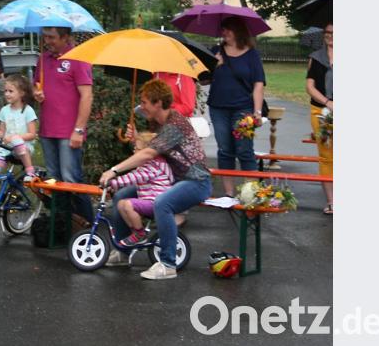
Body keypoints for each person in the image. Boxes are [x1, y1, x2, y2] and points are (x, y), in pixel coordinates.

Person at [99, 80, 212, 280]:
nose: (141, 107)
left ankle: (168, 264)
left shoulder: (175, 124)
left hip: (196, 182)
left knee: (163, 204)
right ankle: (124, 253)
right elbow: (148, 148)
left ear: (158, 103)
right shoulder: (156, 122)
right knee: (121, 196)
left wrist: (114, 171)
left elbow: (149, 153)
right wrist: (134, 138)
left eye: (144, 102)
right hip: (171, 180)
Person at [33, 26, 94, 222]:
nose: (47, 41)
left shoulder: (78, 58)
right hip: (47, 130)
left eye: (52, 37)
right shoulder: (42, 59)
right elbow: (37, 87)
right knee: (53, 181)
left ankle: (87, 225)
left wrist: (79, 130)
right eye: (45, 37)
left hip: (69, 132)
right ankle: (61, 224)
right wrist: (37, 94)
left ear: (65, 37)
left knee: (71, 180)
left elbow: (87, 96)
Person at [206, 16, 266, 197]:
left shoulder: (251, 54)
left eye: (228, 29)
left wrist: (257, 112)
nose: (224, 32)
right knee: (225, 149)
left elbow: (258, 84)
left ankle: (252, 195)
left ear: (238, 31)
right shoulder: (215, 51)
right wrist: (214, 66)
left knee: (244, 149)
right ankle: (229, 195)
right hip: (218, 108)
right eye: (222, 29)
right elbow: (202, 80)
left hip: (243, 108)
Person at [107, 132, 174, 247]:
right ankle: (135, 232)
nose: (134, 152)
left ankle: (140, 234)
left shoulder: (152, 166)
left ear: (147, 152)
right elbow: (134, 174)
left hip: (156, 203)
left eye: (137, 149)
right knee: (121, 204)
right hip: (149, 200)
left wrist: (113, 182)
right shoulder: (147, 165)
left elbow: (133, 177)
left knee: (128, 204)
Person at [0, 74, 38, 185]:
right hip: (6, 149)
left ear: (21, 93)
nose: (6, 94)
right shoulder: (4, 110)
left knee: (16, 140)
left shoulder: (28, 111)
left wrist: (14, 137)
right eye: (5, 91)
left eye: (10, 91)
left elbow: (32, 134)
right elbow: (1, 133)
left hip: (24, 149)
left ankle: (30, 171)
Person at [306, 22, 333, 214]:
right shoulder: (316, 58)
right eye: (327, 32)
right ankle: (332, 201)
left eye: (334, 33)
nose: (330, 36)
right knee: (326, 157)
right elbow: (310, 86)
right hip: (321, 112)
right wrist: (327, 102)